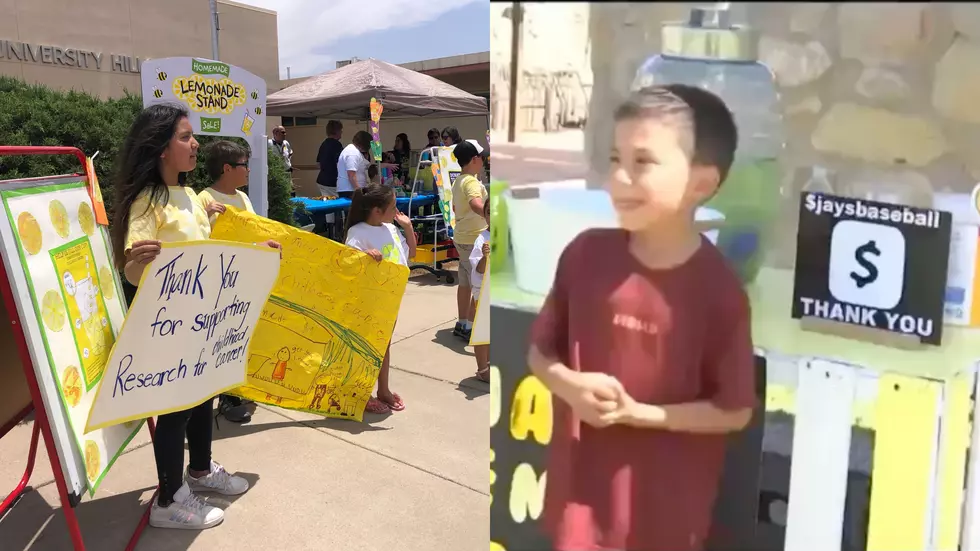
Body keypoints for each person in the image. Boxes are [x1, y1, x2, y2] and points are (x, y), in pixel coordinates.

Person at [526, 84, 756, 551]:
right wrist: (567, 384)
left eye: (642, 163)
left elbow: (734, 411)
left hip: (666, 520)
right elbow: (540, 353)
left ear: (701, 183)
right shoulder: (584, 255)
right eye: (615, 160)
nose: (619, 179)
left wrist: (640, 414)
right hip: (578, 510)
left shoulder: (719, 291)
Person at [111, 104, 280, 530]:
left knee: (204, 394)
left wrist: (255, 257)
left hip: (203, 322)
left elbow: (207, 258)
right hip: (169, 327)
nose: (195, 144)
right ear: (161, 148)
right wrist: (137, 260)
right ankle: (168, 501)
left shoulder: (188, 195)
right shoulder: (147, 201)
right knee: (175, 411)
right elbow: (133, 273)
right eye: (186, 137)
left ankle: (200, 472)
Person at [197, 140, 257, 424]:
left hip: (244, 279)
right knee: (218, 340)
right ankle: (223, 399)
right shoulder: (204, 199)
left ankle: (233, 391)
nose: (248, 171)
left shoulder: (243, 199)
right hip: (218, 285)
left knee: (238, 337)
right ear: (227, 168)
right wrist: (208, 218)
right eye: (244, 165)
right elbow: (196, 240)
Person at [344, 184, 417, 413]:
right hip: (367, 301)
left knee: (384, 345)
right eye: (393, 207)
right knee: (366, 347)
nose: (397, 212)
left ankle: (383, 389)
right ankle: (360, 392)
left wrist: (408, 228)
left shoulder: (391, 229)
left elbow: (411, 254)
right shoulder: (358, 232)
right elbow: (348, 264)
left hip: (390, 300)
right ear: (376, 210)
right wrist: (365, 257)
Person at [449, 140, 488, 341]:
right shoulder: (472, 182)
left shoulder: (459, 180)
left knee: (464, 283)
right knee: (478, 285)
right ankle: (471, 327)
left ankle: (462, 321)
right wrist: (490, 216)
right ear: (475, 159)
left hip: (461, 237)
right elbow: (475, 204)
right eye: (482, 157)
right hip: (474, 239)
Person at [469, 199, 491, 382]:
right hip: (484, 292)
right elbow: (479, 270)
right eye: (490, 212)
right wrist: (485, 257)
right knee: (484, 332)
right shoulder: (482, 239)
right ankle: (483, 369)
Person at [336, 130, 373, 199]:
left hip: (351, 190)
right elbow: (351, 175)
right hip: (350, 191)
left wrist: (385, 165)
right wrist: (359, 192)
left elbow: (368, 165)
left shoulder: (355, 152)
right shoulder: (352, 153)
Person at [316, 120, 344, 195]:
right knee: (335, 204)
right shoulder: (337, 145)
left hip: (321, 180)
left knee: (327, 203)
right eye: (341, 130)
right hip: (332, 182)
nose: (342, 133)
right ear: (337, 131)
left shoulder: (323, 144)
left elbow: (318, 163)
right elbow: (339, 163)